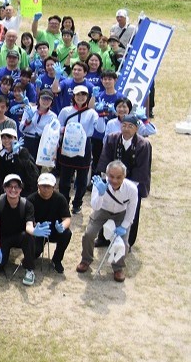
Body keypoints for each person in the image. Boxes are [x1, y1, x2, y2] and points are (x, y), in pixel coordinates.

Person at [77, 160, 139, 282]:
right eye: (111, 176)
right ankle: (86, 260)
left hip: (121, 213)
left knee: (124, 243)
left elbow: (132, 210)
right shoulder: (99, 184)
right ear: (106, 175)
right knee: (89, 234)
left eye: (119, 177)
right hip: (102, 210)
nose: (114, 180)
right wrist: (101, 193)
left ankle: (118, 267)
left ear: (124, 176)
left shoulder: (132, 189)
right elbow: (95, 207)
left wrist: (124, 226)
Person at [95, 115, 151, 247]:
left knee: (132, 211)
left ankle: (128, 241)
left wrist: (127, 187)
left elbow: (142, 168)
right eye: (124, 125)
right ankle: (103, 238)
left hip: (133, 184)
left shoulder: (143, 145)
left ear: (136, 129)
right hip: (112, 181)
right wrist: (108, 181)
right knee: (107, 209)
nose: (126, 129)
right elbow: (105, 159)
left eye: (130, 126)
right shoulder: (112, 139)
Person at [0, 173, 38, 285]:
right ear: (4, 188)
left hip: (20, 236)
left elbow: (29, 226)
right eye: (9, 186)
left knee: (28, 236)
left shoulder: (28, 205)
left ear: (21, 189)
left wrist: (34, 231)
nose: (13, 190)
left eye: (16, 187)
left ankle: (29, 269)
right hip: (3, 237)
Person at [56, 85, 98, 213]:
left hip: (84, 146)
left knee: (82, 179)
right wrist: (64, 129)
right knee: (65, 179)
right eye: (78, 94)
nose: (80, 97)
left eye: (83, 95)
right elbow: (57, 126)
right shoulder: (66, 111)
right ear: (73, 96)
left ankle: (77, 203)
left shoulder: (91, 113)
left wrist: (101, 115)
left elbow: (100, 128)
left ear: (87, 97)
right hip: (68, 145)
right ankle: (63, 202)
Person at [27, 172, 72, 273]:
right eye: (43, 186)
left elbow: (67, 218)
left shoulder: (60, 199)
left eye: (49, 186)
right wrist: (35, 227)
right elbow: (27, 220)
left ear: (54, 187)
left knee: (67, 233)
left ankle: (57, 260)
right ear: (38, 186)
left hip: (55, 230)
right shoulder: (31, 199)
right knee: (35, 252)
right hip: (39, 231)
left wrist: (62, 226)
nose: (46, 189)